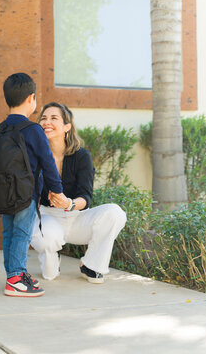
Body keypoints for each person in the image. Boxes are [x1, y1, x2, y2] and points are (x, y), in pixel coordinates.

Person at [30, 102, 127, 283]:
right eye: (43, 118)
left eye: (53, 118)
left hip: (76, 218)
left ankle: (91, 266)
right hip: (48, 217)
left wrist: (69, 203)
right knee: (50, 276)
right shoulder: (34, 155)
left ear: (67, 126)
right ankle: (53, 256)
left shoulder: (81, 156)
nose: (46, 122)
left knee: (115, 213)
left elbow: (86, 197)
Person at [0, 73, 63, 297]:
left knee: (9, 233)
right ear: (31, 98)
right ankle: (16, 278)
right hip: (25, 194)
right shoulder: (33, 130)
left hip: (4, 193)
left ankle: (13, 274)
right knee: (22, 234)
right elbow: (47, 163)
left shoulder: (2, 128)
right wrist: (58, 191)